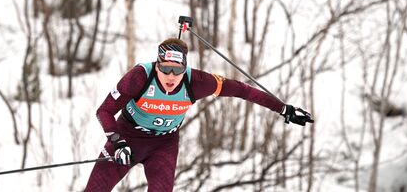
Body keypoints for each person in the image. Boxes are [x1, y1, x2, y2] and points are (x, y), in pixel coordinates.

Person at [84, 38, 311, 192]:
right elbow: (104, 111)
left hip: (163, 144)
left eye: (177, 70)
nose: (171, 76)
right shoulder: (140, 77)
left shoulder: (198, 82)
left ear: (185, 68)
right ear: (157, 65)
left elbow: (242, 90)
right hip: (127, 138)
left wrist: (283, 109)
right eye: (165, 69)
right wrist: (117, 141)